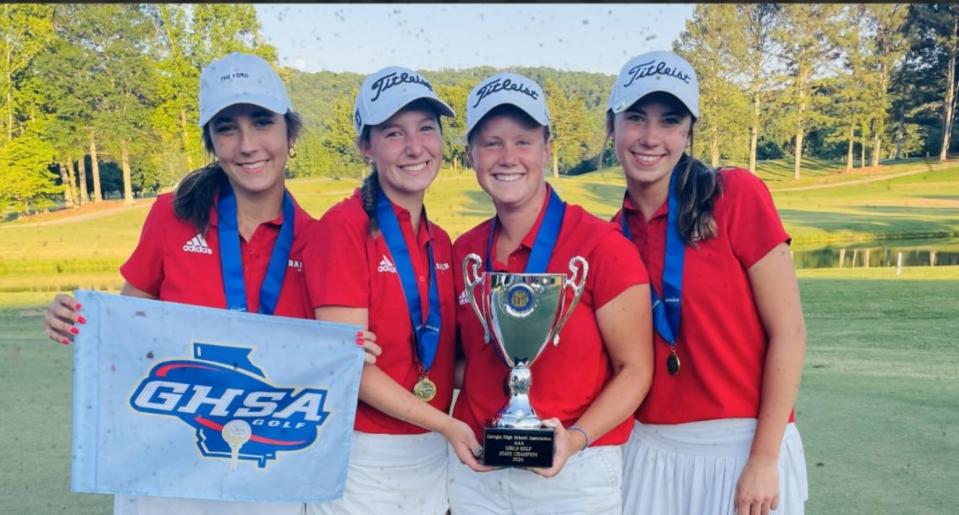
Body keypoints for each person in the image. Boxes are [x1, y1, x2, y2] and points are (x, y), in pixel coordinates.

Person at [42, 52, 378, 515]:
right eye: (226, 127)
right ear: (211, 142)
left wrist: (352, 349)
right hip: (167, 471)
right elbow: (128, 331)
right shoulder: (171, 216)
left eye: (262, 123)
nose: (246, 144)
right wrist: (78, 321)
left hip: (269, 475)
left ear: (290, 133)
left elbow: (331, 353)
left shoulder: (319, 239)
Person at [605, 50, 809, 515]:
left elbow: (790, 331)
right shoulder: (611, 236)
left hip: (744, 447)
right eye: (636, 118)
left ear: (688, 132)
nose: (650, 137)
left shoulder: (735, 195)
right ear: (612, 126)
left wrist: (763, 458)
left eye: (669, 121)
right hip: (649, 450)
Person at [448, 72, 654, 514]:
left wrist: (575, 439)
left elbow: (635, 369)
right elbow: (459, 363)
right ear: (470, 154)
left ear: (547, 147)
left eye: (523, 141)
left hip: (576, 474)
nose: (508, 157)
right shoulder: (464, 252)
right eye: (491, 143)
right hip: (477, 473)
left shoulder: (603, 247)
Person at [303, 66, 487, 515]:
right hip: (362, 458)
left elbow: (446, 361)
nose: (415, 147)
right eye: (393, 133)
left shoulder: (441, 241)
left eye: (426, 129)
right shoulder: (343, 228)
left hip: (431, 458)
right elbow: (353, 369)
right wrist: (448, 424)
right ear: (365, 146)